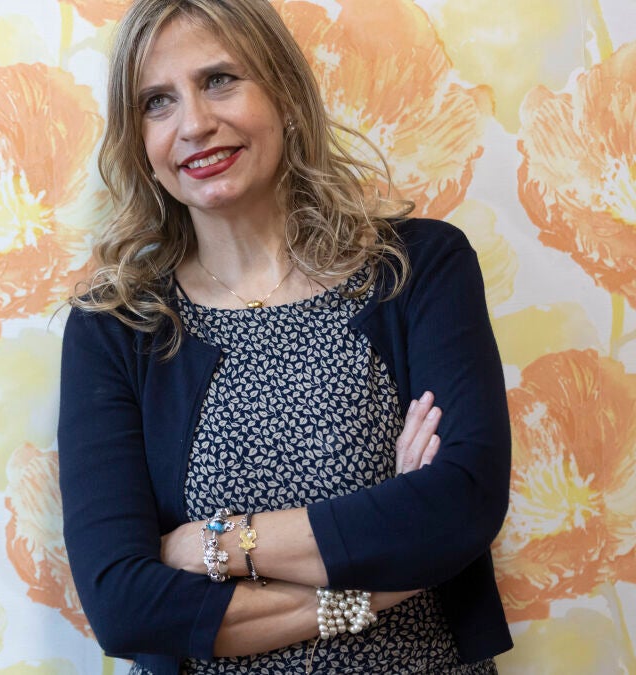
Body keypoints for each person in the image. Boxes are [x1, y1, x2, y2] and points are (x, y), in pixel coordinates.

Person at [56, 1, 512, 673]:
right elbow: (125, 605)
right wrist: (394, 561)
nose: (194, 124)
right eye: (157, 102)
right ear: (140, 142)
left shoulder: (416, 269)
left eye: (219, 80)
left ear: (285, 93)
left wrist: (213, 545)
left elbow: (462, 506)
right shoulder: (116, 326)